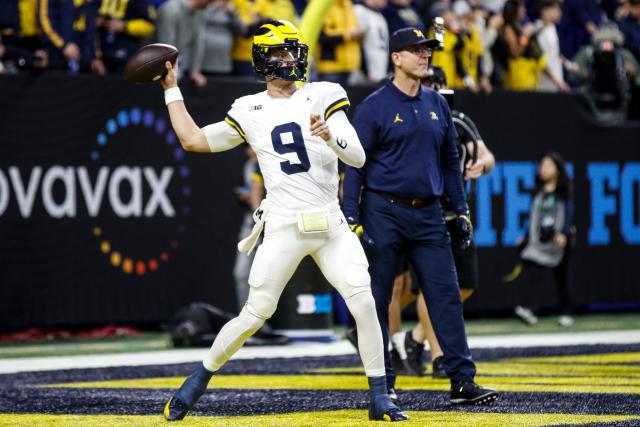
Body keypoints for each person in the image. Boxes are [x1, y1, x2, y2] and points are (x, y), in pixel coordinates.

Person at [160, 20, 408, 422]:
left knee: (364, 302)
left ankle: (380, 396)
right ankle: (196, 381)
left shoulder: (324, 93)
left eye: (293, 50)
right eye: (280, 52)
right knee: (254, 314)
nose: (290, 58)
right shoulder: (249, 108)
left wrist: (330, 136)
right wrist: (172, 88)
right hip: (283, 224)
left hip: (329, 222)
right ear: (262, 59)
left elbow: (358, 157)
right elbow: (193, 140)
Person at [343, 27, 498, 405]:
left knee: (446, 295)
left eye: (426, 50)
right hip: (383, 210)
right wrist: (351, 217)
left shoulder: (437, 104)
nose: (424, 55)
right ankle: (384, 383)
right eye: (415, 50)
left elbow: (449, 162)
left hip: (429, 213)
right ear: (396, 58)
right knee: (378, 297)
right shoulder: (375, 106)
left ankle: (462, 380)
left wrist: (460, 211)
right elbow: (355, 165)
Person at [388, 64, 496, 379]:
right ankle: (438, 356)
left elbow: (486, 155)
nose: (433, 90)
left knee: (465, 285)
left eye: (436, 84)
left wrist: (481, 166)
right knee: (425, 289)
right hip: (424, 214)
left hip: (455, 212)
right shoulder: (406, 119)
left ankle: (416, 337)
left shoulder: (457, 120)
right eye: (427, 83)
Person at [506, 152, 575, 327]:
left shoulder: (563, 193)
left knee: (562, 278)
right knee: (532, 271)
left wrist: (564, 233)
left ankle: (566, 312)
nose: (543, 169)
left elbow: (568, 214)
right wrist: (526, 236)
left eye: (548, 165)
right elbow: (534, 218)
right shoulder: (538, 192)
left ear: (558, 170)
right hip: (540, 242)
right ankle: (529, 308)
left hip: (559, 242)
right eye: (542, 165)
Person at [156, 0, 210, 87]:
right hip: (161, 66)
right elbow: (167, 44)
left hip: (182, 64)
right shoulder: (171, 9)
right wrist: (172, 70)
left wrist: (195, 71)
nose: (212, 3)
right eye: (210, 1)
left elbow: (199, 42)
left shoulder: (200, 12)